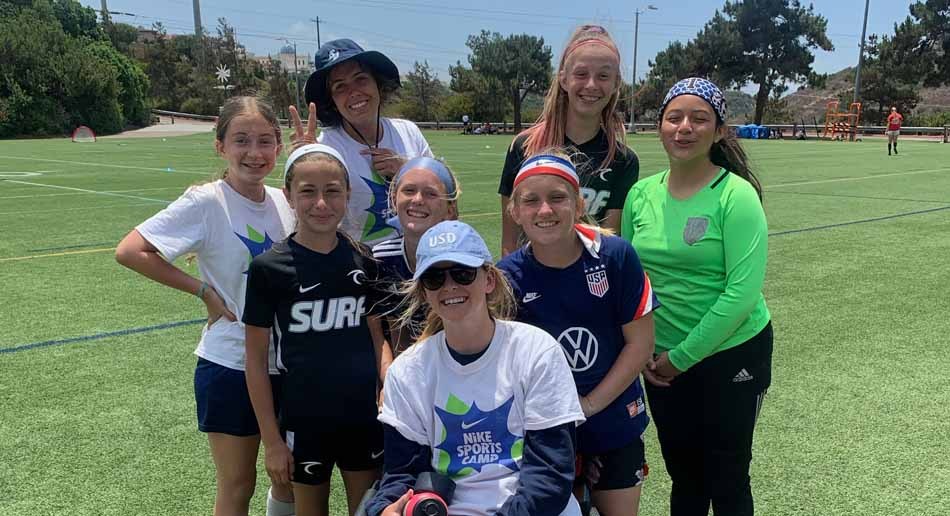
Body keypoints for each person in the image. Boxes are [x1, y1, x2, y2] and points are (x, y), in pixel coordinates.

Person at [115, 96, 296, 516]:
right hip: (231, 363)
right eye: (241, 140)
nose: (255, 152)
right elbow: (130, 250)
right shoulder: (206, 201)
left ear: (278, 146)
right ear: (221, 146)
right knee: (238, 484)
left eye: (265, 141)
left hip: (289, 364)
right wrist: (203, 291)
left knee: (287, 478)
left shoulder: (283, 200)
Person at [621, 77, 773, 516]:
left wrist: (681, 358)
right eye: (674, 117)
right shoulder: (640, 194)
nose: (684, 127)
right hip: (661, 363)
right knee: (685, 478)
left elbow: (741, 294)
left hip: (731, 353)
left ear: (719, 131)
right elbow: (630, 281)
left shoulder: (736, 196)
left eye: (699, 119)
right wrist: (643, 351)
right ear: (660, 127)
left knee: (727, 479)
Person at [365, 221, 586, 516]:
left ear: (489, 279)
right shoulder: (407, 372)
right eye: (434, 278)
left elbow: (550, 476)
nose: (449, 285)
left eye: (463, 272)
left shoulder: (536, 351)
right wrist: (384, 509)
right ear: (423, 292)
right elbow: (401, 474)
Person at [498, 153, 657, 516]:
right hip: (545, 431)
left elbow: (640, 343)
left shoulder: (616, 256)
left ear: (579, 204)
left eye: (557, 197)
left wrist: (587, 406)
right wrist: (562, 414)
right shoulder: (507, 276)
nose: (545, 210)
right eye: (531, 201)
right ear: (515, 212)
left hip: (612, 418)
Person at [243, 144, 392, 516]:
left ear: (347, 194)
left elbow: (378, 338)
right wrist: (272, 441)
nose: (321, 203)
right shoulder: (269, 268)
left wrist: (387, 385)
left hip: (362, 417)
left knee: (367, 510)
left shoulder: (365, 261)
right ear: (289, 195)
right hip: (304, 420)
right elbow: (256, 361)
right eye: (308, 191)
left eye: (332, 191)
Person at [499, 24, 639, 256]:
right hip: (530, 275)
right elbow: (510, 243)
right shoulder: (524, 147)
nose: (591, 85)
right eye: (581, 74)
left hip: (591, 276)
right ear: (563, 79)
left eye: (603, 76)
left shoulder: (624, 160)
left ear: (616, 84)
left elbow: (608, 245)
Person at [291, 38, 434, 246]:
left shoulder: (408, 132)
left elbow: (445, 195)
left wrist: (407, 170)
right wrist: (305, 167)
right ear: (332, 101)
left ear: (378, 84)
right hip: (358, 262)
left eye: (361, 79)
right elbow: (309, 221)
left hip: (416, 256)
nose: (354, 92)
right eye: (340, 87)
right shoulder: (324, 150)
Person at [372, 157, 460, 355]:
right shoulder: (382, 258)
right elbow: (397, 329)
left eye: (431, 194)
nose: (418, 199)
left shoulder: (464, 262)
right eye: (409, 190)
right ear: (394, 199)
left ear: (450, 209)